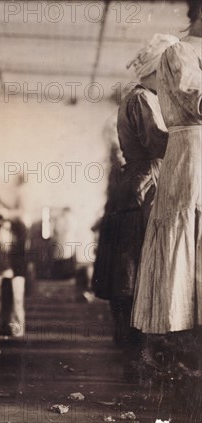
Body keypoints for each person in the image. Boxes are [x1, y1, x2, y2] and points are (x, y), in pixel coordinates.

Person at [92, 33, 178, 379]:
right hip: (146, 185)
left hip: (140, 183)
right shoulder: (143, 98)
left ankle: (137, 351)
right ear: (156, 72)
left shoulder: (141, 96)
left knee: (134, 268)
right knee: (137, 268)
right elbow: (157, 142)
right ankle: (139, 353)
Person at [131, 4, 202, 336]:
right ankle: (182, 330)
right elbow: (195, 100)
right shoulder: (179, 52)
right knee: (187, 229)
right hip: (191, 153)